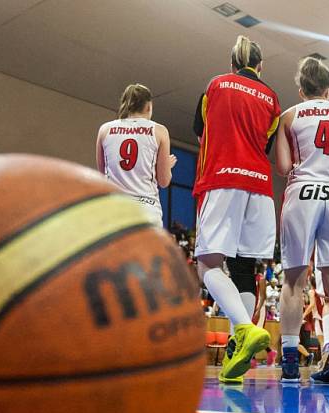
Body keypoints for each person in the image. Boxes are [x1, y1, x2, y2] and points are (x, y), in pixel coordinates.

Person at [191, 35, 281, 385]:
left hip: (222, 178)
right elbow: (267, 143)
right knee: (243, 267)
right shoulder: (272, 98)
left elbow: (201, 135)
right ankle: (235, 354)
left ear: (232, 64)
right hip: (259, 186)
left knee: (208, 266)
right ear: (260, 66)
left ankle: (244, 328)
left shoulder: (214, 85)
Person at [274, 57, 329, 384]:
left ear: (301, 90)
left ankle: (289, 363)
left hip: (303, 193)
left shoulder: (289, 115)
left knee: (294, 280)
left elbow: (283, 167)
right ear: (328, 88)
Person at [96, 83, 176, 228]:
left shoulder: (105, 130)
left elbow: (102, 174)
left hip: (114, 207)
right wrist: (167, 167)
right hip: (146, 208)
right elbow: (164, 181)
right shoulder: (159, 131)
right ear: (148, 106)